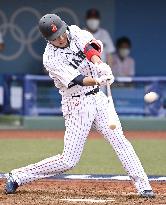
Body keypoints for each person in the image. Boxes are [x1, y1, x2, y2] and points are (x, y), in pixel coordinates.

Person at [5, 14, 154, 198]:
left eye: (61, 33)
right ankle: (18, 176)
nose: (60, 39)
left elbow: (90, 48)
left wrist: (101, 65)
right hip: (76, 103)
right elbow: (77, 79)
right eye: (55, 38)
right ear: (47, 40)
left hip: (98, 99)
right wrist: (98, 79)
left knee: (120, 141)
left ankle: (144, 186)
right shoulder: (50, 58)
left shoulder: (74, 31)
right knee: (69, 161)